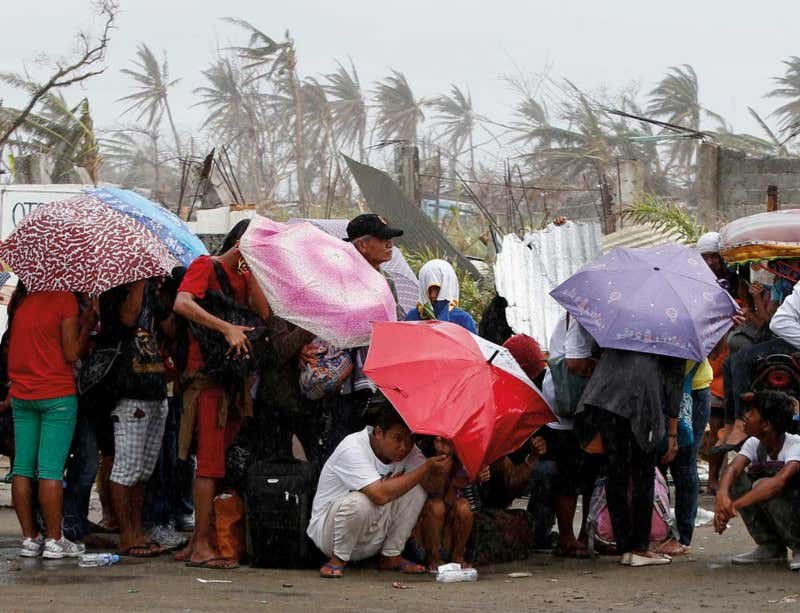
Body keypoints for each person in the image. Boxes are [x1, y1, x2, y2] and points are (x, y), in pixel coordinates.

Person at [173, 220, 264, 570]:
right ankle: (201, 545)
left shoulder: (244, 275)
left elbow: (262, 313)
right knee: (209, 465)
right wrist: (225, 328)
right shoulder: (205, 266)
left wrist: (253, 271)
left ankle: (201, 539)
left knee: (218, 463)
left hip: (231, 383)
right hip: (207, 381)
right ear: (241, 244)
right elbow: (182, 303)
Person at [307, 399, 449, 578]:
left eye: (410, 439)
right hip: (330, 536)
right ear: (379, 432)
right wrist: (426, 468)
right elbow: (379, 495)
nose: (404, 447)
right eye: (397, 439)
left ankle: (391, 556)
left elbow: (433, 489)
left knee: (417, 489)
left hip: (371, 539)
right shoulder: (352, 447)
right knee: (361, 501)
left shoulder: (409, 450)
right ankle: (338, 559)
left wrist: (442, 459)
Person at [8, 283, 94, 558]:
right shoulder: (64, 300)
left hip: (22, 394)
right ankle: (55, 540)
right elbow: (71, 352)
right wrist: (87, 324)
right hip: (56, 395)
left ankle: (30, 539)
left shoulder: (21, 302)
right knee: (50, 470)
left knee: (22, 468)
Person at [575, 349, 684, 567]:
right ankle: (639, 548)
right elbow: (673, 383)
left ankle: (625, 546)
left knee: (617, 472)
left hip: (606, 397)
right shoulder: (671, 334)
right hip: (643, 398)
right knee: (643, 474)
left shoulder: (622, 323)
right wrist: (673, 432)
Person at [714, 391, 800, 570]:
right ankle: (770, 546)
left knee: (763, 486)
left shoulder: (795, 446)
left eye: (752, 413)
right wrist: (722, 496)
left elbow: (777, 483)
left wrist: (732, 507)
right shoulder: (754, 442)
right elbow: (733, 469)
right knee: (737, 481)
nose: (746, 416)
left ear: (766, 425)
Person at [656, 359, 713, 555]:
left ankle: (681, 537)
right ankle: (659, 531)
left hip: (692, 389)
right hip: (660, 387)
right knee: (659, 465)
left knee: (683, 464)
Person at [416, 436, 479, 571]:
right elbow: (432, 490)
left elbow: (472, 504)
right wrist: (441, 457)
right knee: (436, 506)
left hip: (452, 531)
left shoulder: (464, 456)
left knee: (463, 507)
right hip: (426, 528)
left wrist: (477, 475)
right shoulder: (421, 453)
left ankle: (458, 556)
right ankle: (433, 558)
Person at [405, 259, 477, 333]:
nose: (433, 295)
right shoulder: (413, 317)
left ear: (446, 288)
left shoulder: (463, 320)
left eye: (437, 289)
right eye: (429, 289)